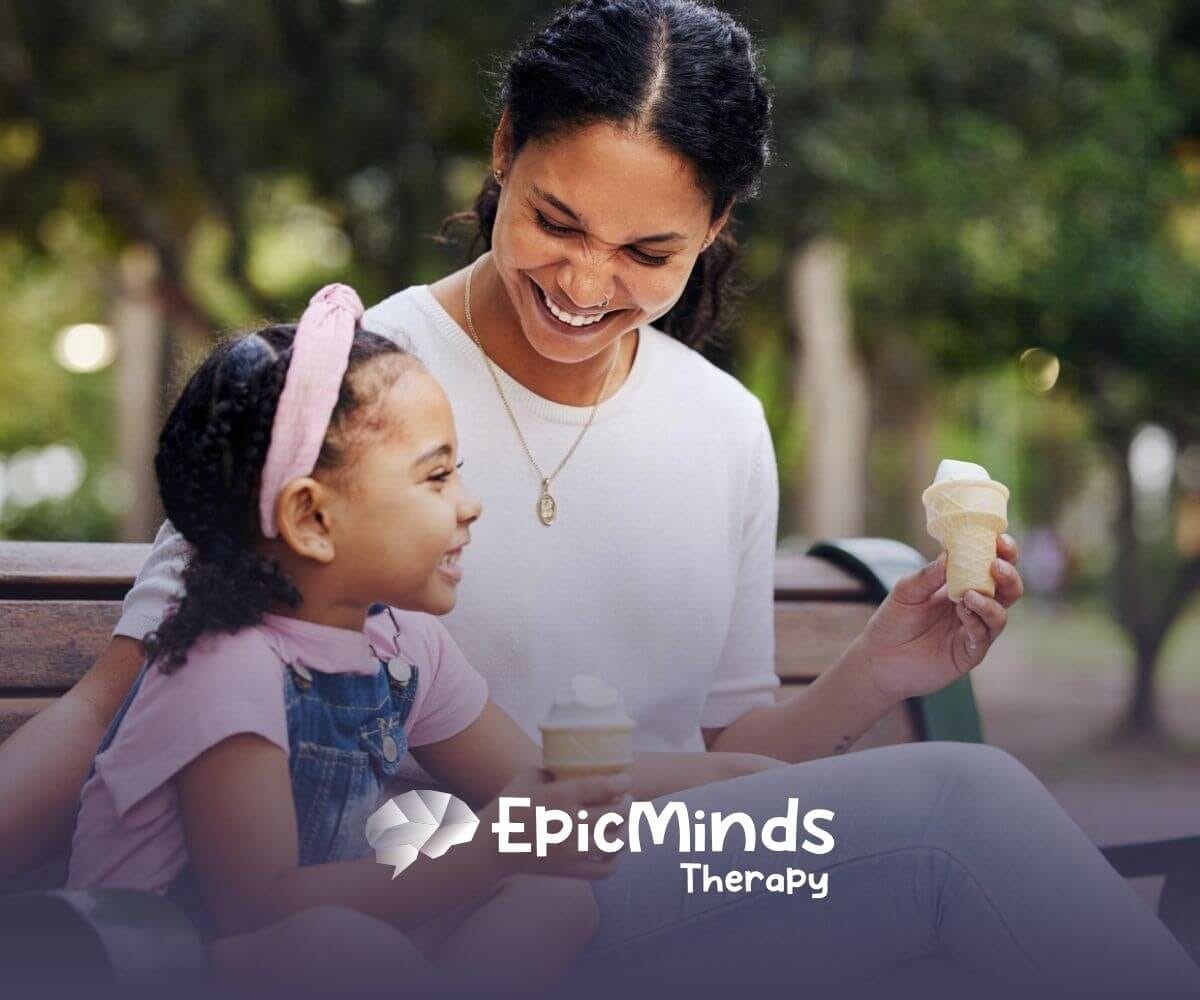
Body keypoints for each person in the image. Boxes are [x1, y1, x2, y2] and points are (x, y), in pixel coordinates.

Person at [1, 1, 1197, 996]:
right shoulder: (353, 394)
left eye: (647, 254)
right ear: (504, 148)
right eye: (555, 221)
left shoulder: (722, 426)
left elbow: (723, 757)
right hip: (400, 915)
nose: (582, 283)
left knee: (950, 832)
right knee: (958, 810)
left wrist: (875, 673)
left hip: (627, 883)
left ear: (718, 226)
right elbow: (122, 690)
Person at [64, 284, 774, 995]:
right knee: (342, 941)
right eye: (436, 477)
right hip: (151, 961)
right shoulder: (229, 668)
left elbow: (526, 773)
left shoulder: (402, 645)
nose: (469, 505)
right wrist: (489, 853)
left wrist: (732, 776)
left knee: (549, 898)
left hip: (324, 946)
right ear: (312, 519)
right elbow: (255, 906)